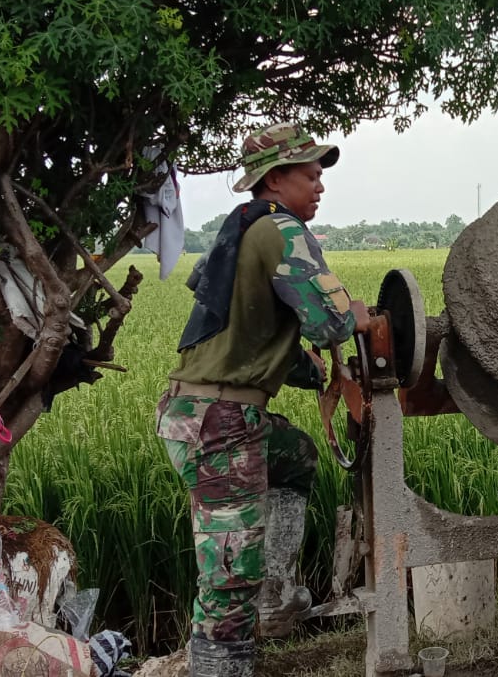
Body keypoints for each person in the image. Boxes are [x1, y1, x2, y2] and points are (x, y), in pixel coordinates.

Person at [156, 122, 369, 677]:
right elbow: (330, 320)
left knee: (295, 454)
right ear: (275, 179)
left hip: (206, 412)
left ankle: (275, 594)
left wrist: (302, 366)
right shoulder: (283, 230)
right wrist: (359, 316)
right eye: (310, 174)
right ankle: (221, 668)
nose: (319, 184)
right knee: (228, 573)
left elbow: (245, 327)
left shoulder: (239, 228)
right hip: (219, 422)